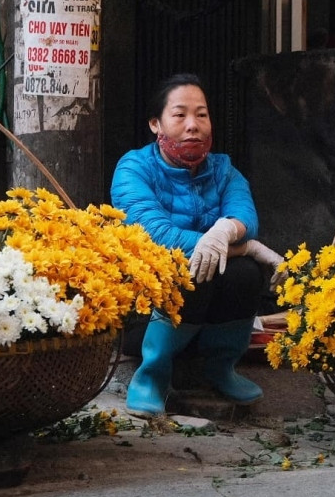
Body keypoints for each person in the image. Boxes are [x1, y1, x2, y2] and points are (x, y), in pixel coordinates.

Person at [111, 73, 285, 417]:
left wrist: (227, 231)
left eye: (201, 115)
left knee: (245, 275)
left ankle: (221, 369)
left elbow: (245, 219)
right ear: (155, 124)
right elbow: (159, 236)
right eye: (179, 115)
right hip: (145, 315)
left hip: (205, 314)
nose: (193, 125)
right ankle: (151, 378)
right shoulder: (133, 168)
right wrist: (247, 247)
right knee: (194, 268)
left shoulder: (223, 170)